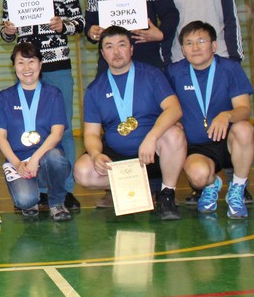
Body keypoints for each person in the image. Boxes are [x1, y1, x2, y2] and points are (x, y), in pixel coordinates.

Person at [0, 0, 84, 210]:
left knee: (63, 128)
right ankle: (39, 188)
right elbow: (6, 35)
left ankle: (65, 189)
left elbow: (80, 22)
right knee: (29, 127)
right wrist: (8, 31)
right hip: (27, 70)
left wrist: (64, 26)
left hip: (56, 64)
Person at [73, 26, 186, 220]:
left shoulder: (151, 75)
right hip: (118, 156)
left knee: (174, 135)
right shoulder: (95, 89)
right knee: (82, 171)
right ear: (102, 54)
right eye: (109, 47)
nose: (116, 52)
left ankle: (167, 194)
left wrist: (152, 137)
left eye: (122, 45)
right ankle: (137, 186)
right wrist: (96, 154)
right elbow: (91, 134)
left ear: (131, 49)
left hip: (152, 153)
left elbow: (174, 109)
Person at [168, 21, 254, 219]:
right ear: (183, 50)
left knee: (245, 129)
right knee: (198, 177)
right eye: (189, 43)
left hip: (228, 141)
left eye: (201, 41)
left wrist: (227, 115)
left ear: (214, 46)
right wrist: (173, 122)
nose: (195, 47)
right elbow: (166, 108)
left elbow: (244, 109)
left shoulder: (230, 68)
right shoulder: (174, 73)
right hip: (198, 146)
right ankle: (211, 184)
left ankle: (237, 190)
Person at [0, 42, 72, 221]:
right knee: (25, 200)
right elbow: (1, 137)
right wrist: (17, 164)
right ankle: (31, 197)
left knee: (55, 157)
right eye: (21, 63)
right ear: (14, 66)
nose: (27, 68)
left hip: (46, 159)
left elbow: (57, 133)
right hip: (19, 162)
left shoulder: (53, 94)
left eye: (32, 61)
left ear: (40, 64)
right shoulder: (4, 97)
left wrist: (35, 159)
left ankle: (57, 202)